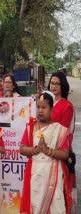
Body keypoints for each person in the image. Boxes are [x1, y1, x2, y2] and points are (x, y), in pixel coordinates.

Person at [19, 91, 71, 213]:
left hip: (53, 174)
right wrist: (35, 150)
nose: (40, 110)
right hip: (34, 173)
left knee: (54, 208)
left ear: (51, 110)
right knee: (34, 207)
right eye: (38, 107)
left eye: (44, 107)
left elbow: (65, 153)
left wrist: (48, 151)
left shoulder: (59, 129)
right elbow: (22, 148)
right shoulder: (30, 126)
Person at [47, 71, 76, 211]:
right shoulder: (45, 102)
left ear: (63, 86)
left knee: (58, 198)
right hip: (43, 154)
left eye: (57, 83)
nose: (54, 86)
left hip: (59, 154)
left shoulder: (66, 106)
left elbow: (62, 132)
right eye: (52, 83)